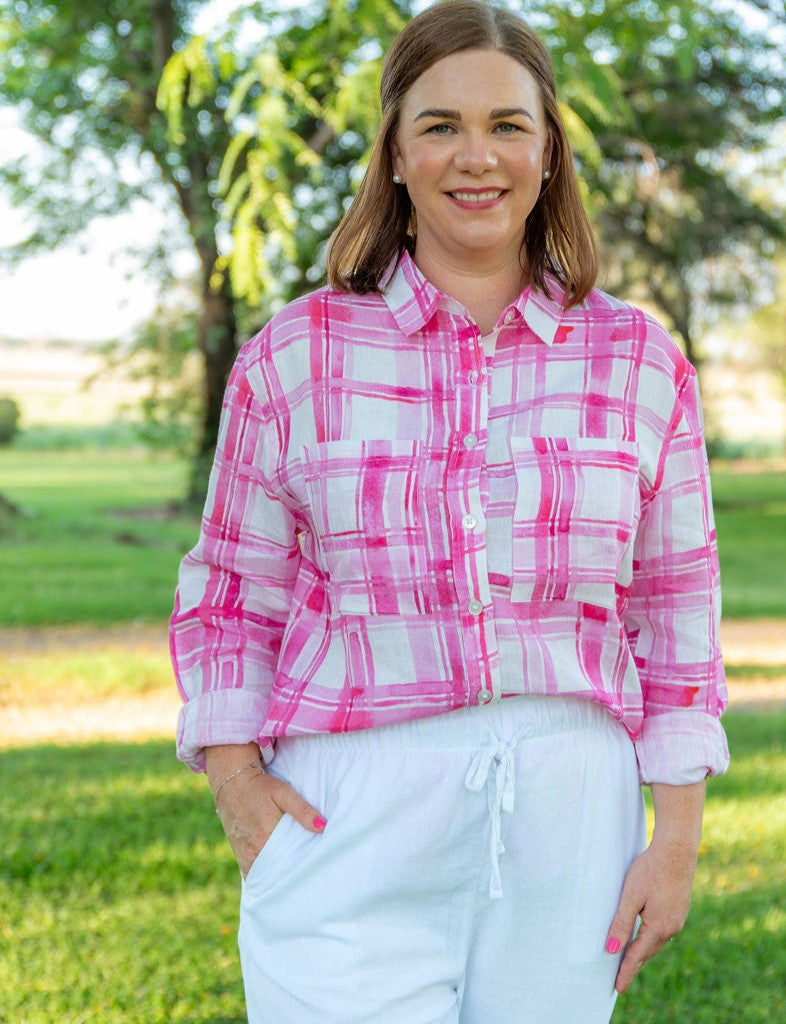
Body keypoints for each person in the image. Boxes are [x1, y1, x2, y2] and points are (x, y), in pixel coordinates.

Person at [170, 2, 729, 1021]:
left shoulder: (639, 362)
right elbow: (228, 593)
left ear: (549, 151)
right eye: (439, 126)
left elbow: (677, 608)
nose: (476, 157)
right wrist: (235, 782)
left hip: (571, 818)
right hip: (349, 807)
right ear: (393, 152)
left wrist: (676, 840)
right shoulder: (293, 358)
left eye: (507, 125)